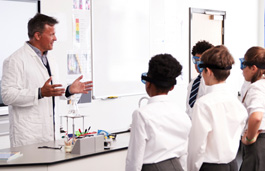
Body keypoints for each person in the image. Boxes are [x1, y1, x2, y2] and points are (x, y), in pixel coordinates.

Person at [1, 13, 92, 147]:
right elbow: (7, 96)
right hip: (28, 137)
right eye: (51, 34)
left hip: (51, 134)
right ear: (37, 35)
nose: (55, 38)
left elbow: (51, 92)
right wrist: (39, 93)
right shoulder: (14, 60)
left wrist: (68, 90)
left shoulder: (51, 59)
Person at [126, 54, 192, 171]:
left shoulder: (141, 114)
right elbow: (184, 155)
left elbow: (134, 160)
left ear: (148, 83)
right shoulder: (182, 114)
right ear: (172, 87)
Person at [187, 45, 248, 171]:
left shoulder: (203, 104)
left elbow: (197, 148)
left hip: (209, 167)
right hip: (232, 164)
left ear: (208, 71)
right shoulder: (237, 103)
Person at [239, 46, 265, 171]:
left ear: (254, 68)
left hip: (258, 143)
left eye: (244, 65)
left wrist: (249, 138)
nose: (242, 70)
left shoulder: (256, 87)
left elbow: (256, 116)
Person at [186, 40, 213, 118]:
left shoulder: (211, 82)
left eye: (201, 61)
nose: (198, 64)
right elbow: (189, 109)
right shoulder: (193, 83)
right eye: (196, 60)